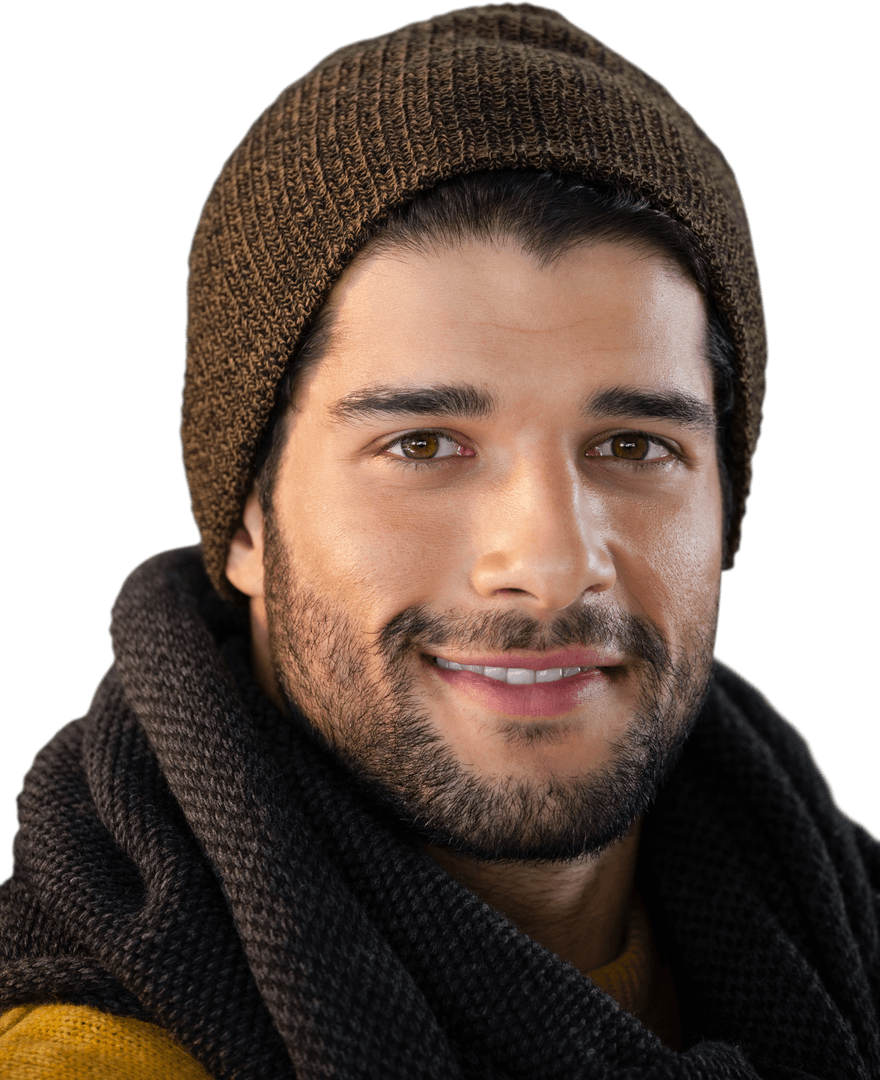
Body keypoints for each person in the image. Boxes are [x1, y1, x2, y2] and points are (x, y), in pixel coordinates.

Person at [1, 3, 877, 1077]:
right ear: (244, 516)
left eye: (635, 446)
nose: (550, 562)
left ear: (724, 504)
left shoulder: (840, 936)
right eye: (422, 445)